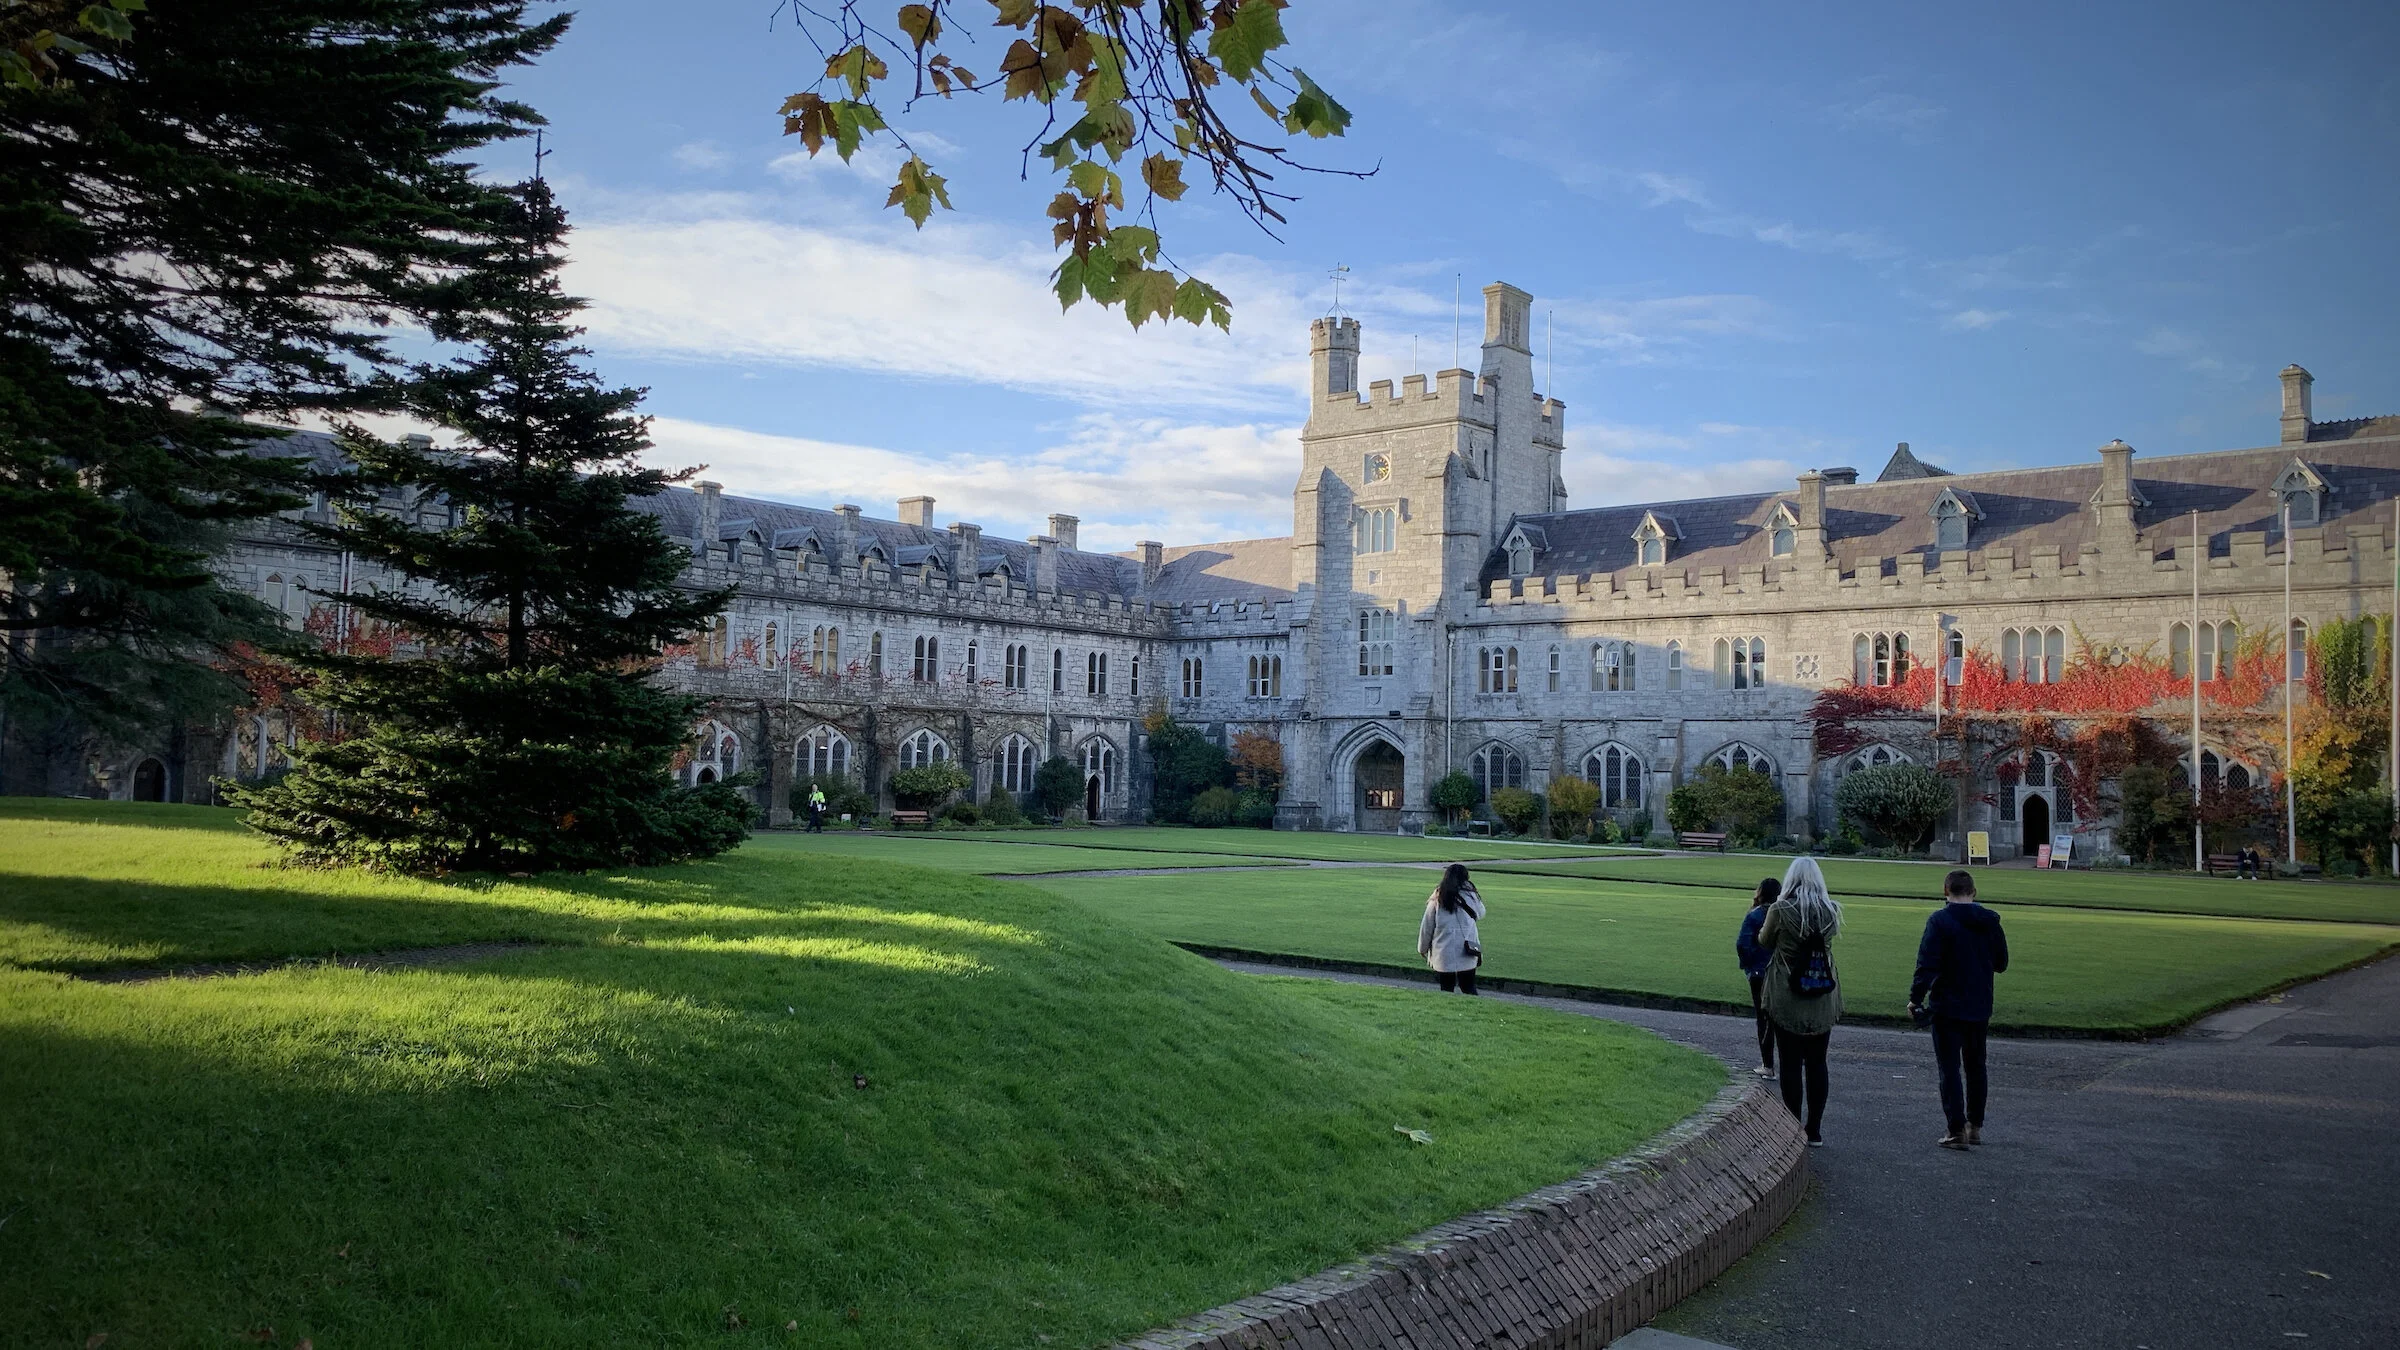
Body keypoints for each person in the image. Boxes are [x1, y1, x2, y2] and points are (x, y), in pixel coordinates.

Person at [1909, 869, 2011, 1151]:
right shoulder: (1990, 921)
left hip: (1947, 1005)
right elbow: (2001, 963)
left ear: (1946, 891)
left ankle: (1956, 1129)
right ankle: (1974, 1126)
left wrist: (1915, 999)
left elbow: (1926, 964)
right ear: (1973, 892)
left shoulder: (1939, 921)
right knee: (1976, 1066)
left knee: (1950, 1068)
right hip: (1979, 1002)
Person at [1759, 856, 1842, 1146]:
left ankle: (1793, 1126)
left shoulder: (1780, 910)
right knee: (1818, 1062)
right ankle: (1814, 1129)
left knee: (1790, 1062)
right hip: (1822, 993)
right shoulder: (1830, 910)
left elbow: (1765, 941)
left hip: (1787, 993)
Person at [1734, 877, 1781, 1079]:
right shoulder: (1783, 915)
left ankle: (1768, 1065)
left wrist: (1749, 965)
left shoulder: (1755, 915)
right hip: (1780, 973)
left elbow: (1742, 944)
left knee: (1763, 1019)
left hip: (1759, 973)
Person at [1418, 863, 1485, 995]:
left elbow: (1427, 927)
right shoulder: (1471, 896)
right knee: (1468, 987)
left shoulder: (1437, 898)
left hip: (1444, 951)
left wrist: (1422, 948)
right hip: (1467, 949)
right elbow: (1481, 913)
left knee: (1446, 988)